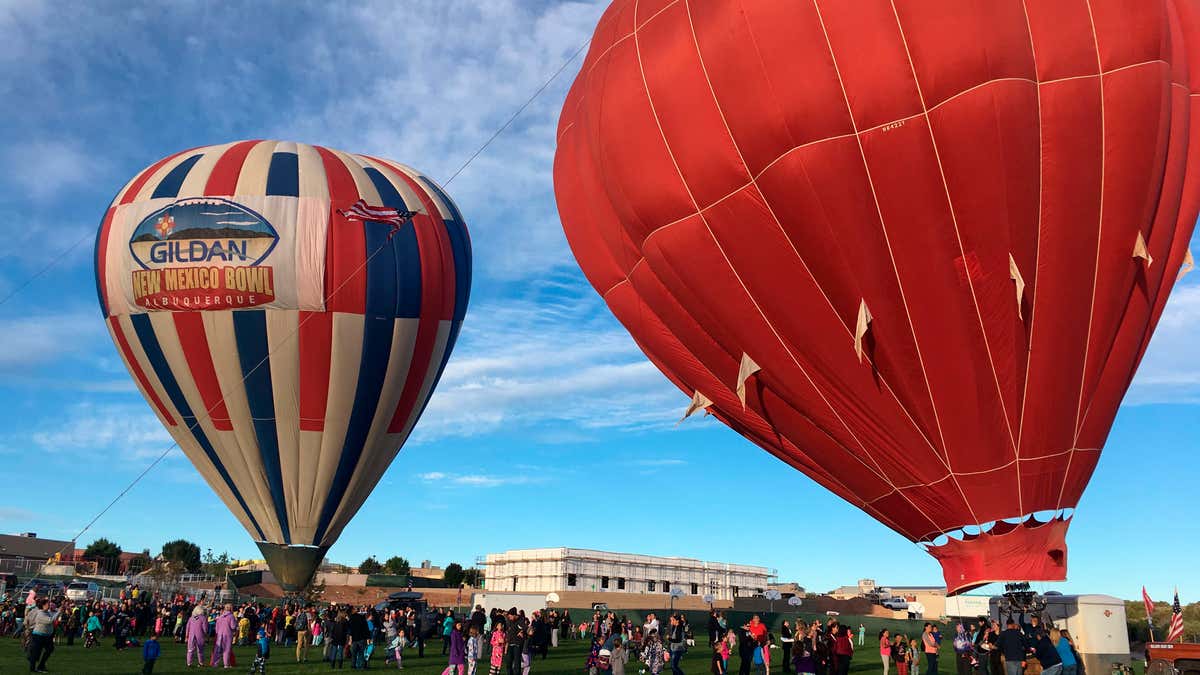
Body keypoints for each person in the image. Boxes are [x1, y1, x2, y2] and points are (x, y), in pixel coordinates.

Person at [25, 597, 59, 673]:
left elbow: (53, 617)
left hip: (47, 636)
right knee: (36, 652)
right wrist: (58, 612)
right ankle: (33, 668)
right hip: (38, 636)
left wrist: (59, 610)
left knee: (50, 649)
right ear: (43, 605)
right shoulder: (40, 613)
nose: (49, 605)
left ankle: (41, 665)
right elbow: (50, 621)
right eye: (47, 604)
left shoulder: (47, 612)